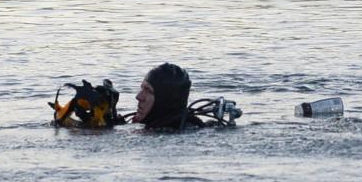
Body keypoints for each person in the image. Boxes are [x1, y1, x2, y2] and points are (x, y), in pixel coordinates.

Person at [49, 63, 241, 131]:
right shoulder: (152, 126)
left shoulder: (173, 131)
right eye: (141, 89)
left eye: (148, 91)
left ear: (165, 99)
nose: (138, 97)